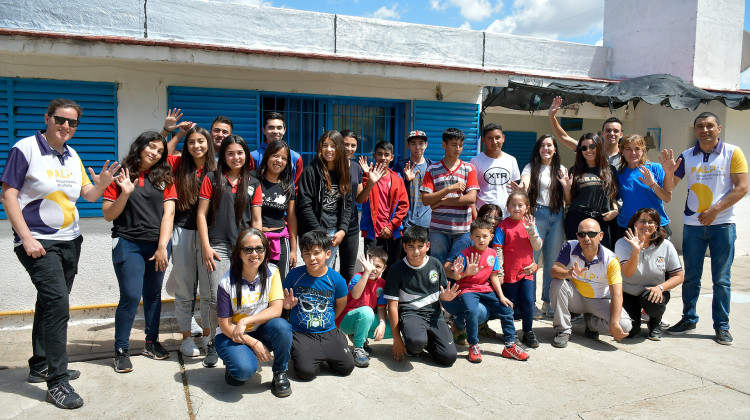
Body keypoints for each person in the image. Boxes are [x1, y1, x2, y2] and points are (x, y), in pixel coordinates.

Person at [1, 98, 119, 409]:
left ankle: (41, 363)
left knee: (49, 303)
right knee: (58, 304)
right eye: (60, 119)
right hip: (38, 242)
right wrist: (25, 238)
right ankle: (57, 380)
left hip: (70, 241)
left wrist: (104, 185)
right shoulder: (25, 149)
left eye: (72, 122)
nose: (66, 126)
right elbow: (8, 194)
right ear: (48, 118)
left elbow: (88, 194)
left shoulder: (71, 155)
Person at [660, 112, 748, 345]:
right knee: (691, 277)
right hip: (693, 227)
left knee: (722, 280)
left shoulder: (733, 152)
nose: (705, 130)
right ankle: (689, 318)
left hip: (723, 225)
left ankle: (722, 326)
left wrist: (715, 210)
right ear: (696, 130)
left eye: (710, 126)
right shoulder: (687, 156)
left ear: (718, 128)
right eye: (700, 126)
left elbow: (742, 188)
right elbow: (669, 190)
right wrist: (668, 173)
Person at [102, 132, 176, 372]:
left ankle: (151, 342)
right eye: (150, 147)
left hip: (156, 246)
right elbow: (108, 214)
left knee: (153, 295)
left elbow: (169, 214)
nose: (154, 153)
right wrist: (125, 192)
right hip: (128, 242)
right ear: (140, 146)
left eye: (159, 150)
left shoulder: (164, 178)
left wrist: (163, 246)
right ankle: (121, 349)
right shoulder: (121, 174)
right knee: (132, 296)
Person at [197, 134, 262, 368]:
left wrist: (256, 249)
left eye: (240, 152)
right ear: (223, 156)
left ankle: (239, 339)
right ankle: (214, 341)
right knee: (217, 297)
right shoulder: (212, 178)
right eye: (231, 153)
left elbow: (256, 220)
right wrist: (205, 246)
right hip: (217, 247)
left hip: (244, 248)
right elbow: (201, 215)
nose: (236, 157)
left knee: (242, 298)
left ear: (246, 155)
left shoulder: (253, 183)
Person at [214, 228, 292, 397]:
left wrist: (245, 321)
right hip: (231, 335)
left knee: (282, 327)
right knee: (242, 372)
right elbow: (225, 325)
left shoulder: (272, 272)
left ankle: (280, 372)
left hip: (260, 330)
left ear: (265, 250)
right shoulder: (226, 282)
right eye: (248, 249)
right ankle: (234, 363)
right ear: (239, 253)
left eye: (259, 249)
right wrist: (253, 343)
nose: (254, 254)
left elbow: (277, 309)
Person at [447, 218, 530, 363]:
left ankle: (510, 346)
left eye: (485, 236)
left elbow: (494, 276)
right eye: (477, 236)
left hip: (486, 288)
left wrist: (502, 296)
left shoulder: (492, 254)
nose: (481, 240)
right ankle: (473, 345)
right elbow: (457, 276)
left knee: (507, 309)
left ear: (491, 237)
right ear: (471, 237)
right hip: (467, 289)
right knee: (472, 312)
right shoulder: (464, 254)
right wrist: (465, 272)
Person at [168, 126, 217, 358]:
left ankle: (208, 335)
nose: (196, 146)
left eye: (201, 141)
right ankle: (186, 338)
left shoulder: (216, 169)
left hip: (209, 235)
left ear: (208, 143)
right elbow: (158, 154)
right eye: (191, 142)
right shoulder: (178, 166)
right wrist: (174, 134)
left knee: (209, 291)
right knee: (185, 290)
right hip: (183, 230)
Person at [282, 230, 354, 381]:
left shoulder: (336, 279)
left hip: (328, 331)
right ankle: (299, 353)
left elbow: (341, 304)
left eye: (316, 253)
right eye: (306, 253)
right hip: (301, 332)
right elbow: (283, 300)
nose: (312, 258)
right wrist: (286, 306)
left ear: (327, 254)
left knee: (346, 368)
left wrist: (330, 321)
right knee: (306, 373)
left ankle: (327, 350)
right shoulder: (294, 275)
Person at [385, 226, 460, 366]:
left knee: (449, 358)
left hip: (434, 315)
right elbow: (393, 306)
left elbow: (441, 295)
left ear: (428, 246)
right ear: (404, 247)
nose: (416, 251)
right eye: (411, 247)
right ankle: (417, 340)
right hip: (410, 314)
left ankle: (428, 339)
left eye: (420, 246)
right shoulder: (396, 269)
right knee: (415, 344)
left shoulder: (436, 264)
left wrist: (446, 298)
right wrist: (397, 340)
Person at [549, 219, 631, 348]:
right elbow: (554, 271)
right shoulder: (569, 246)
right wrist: (568, 273)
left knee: (624, 327)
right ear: (577, 236)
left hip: (598, 300)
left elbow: (617, 294)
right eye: (582, 234)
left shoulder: (611, 259)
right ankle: (562, 330)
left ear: (601, 236)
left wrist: (614, 323)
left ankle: (589, 323)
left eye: (592, 234)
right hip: (576, 298)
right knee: (557, 283)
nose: (586, 238)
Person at [615, 208, 684, 341]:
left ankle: (654, 322)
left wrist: (660, 288)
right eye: (642, 221)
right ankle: (635, 320)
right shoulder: (622, 244)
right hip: (628, 293)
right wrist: (636, 251)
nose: (646, 225)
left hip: (653, 292)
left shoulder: (666, 245)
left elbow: (679, 276)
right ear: (634, 224)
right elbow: (628, 273)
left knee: (653, 299)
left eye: (651, 222)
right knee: (629, 331)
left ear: (657, 226)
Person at [518, 134, 567, 319]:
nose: (546, 149)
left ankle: (548, 301)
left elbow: (566, 194)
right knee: (532, 260)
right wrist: (522, 188)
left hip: (557, 214)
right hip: (537, 213)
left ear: (555, 149)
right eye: (543, 145)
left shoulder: (561, 169)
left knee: (552, 261)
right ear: (538, 149)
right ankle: (531, 304)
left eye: (550, 145)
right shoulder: (531, 167)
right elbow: (525, 180)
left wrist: (567, 186)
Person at [442, 204, 503, 345]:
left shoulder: (493, 238)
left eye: (497, 218)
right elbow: (446, 268)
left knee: (504, 301)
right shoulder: (467, 240)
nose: (493, 221)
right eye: (489, 217)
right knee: (480, 312)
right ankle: (458, 324)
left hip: (480, 289)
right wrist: (463, 273)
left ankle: (479, 325)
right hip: (458, 292)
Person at [420, 128, 479, 262]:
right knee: (438, 264)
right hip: (438, 230)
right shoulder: (432, 169)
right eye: (453, 145)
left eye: (460, 145)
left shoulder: (469, 168)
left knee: (459, 266)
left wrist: (441, 201)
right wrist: (449, 189)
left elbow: (471, 198)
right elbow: (425, 199)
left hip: (463, 229)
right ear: (444, 145)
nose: (458, 148)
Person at [493, 191, 542, 349]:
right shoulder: (503, 225)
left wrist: (532, 232)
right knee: (509, 303)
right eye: (513, 205)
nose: (516, 208)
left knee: (528, 302)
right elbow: (498, 249)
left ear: (527, 208)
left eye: (520, 205)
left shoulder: (530, 224)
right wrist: (500, 271)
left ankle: (528, 331)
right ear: (507, 207)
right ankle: (510, 332)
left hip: (526, 272)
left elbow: (537, 246)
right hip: (508, 273)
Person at [296, 130, 352, 268]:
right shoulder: (311, 171)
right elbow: (304, 205)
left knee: (328, 270)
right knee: (315, 269)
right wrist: (319, 232)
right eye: (325, 145)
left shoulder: (344, 171)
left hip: (334, 231)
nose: (329, 149)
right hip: (314, 231)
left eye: (333, 146)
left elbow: (348, 204)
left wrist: (343, 230)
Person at [356, 141, 409, 279]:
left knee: (392, 270)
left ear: (392, 157)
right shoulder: (367, 176)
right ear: (374, 155)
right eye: (379, 154)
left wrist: (391, 226)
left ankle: (388, 300)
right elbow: (360, 199)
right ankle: (371, 299)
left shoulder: (397, 179)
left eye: (387, 154)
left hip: (393, 232)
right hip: (373, 232)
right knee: (371, 270)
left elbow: (404, 206)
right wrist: (368, 176)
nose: (383, 158)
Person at [560, 133, 619, 250]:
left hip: (602, 219)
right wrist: (567, 188)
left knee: (602, 259)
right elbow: (569, 201)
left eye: (592, 146)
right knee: (577, 257)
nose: (588, 150)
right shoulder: (574, 170)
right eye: (584, 148)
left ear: (599, 147)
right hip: (577, 219)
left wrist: (616, 210)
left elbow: (613, 196)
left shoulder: (610, 170)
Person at [336, 247, 393, 368]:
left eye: (378, 267)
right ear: (364, 264)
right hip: (346, 320)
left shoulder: (382, 283)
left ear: (384, 268)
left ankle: (358, 336)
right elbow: (356, 295)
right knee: (367, 311)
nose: (373, 269)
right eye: (370, 265)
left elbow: (382, 308)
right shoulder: (358, 277)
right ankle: (358, 349)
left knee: (394, 327)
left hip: (365, 318)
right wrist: (366, 273)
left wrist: (382, 323)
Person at [616, 134, 672, 239]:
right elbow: (613, 198)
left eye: (637, 149)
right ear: (622, 152)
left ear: (643, 151)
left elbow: (667, 198)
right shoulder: (618, 174)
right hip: (628, 227)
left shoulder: (656, 168)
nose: (633, 153)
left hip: (654, 226)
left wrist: (652, 184)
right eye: (628, 149)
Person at [257, 140, 298, 280]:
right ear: (267, 156)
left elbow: (292, 219)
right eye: (275, 155)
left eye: (284, 158)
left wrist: (294, 249)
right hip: (257, 239)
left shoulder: (288, 185)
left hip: (280, 240)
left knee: (280, 283)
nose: (279, 160)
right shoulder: (253, 180)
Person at [548, 96, 623, 166]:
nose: (612, 133)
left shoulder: (626, 155)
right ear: (602, 133)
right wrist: (552, 117)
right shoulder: (592, 150)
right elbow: (564, 137)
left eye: (616, 131)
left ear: (621, 134)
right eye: (608, 130)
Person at [470, 123, 520, 218]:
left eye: (497, 137)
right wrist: (476, 216)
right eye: (490, 138)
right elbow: (471, 192)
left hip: (506, 215)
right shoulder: (476, 161)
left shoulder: (511, 160)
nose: (494, 142)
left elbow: (514, 190)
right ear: (484, 140)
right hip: (484, 215)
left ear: (503, 138)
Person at [249, 112, 304, 191]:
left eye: (279, 128)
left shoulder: (296, 157)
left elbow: (297, 187)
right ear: (263, 130)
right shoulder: (254, 156)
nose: (275, 131)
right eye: (271, 127)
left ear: (284, 130)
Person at [393, 130, 433, 230]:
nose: (417, 147)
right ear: (408, 145)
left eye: (421, 143)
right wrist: (406, 181)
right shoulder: (401, 166)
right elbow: (394, 192)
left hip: (429, 222)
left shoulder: (432, 166)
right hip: (407, 222)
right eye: (413, 144)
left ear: (426, 145)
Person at [339, 130, 364, 282]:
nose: (349, 148)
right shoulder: (330, 166)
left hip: (352, 223)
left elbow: (359, 199)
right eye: (345, 144)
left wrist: (371, 182)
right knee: (326, 266)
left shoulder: (356, 167)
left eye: (353, 145)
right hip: (331, 224)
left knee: (348, 269)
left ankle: (345, 304)